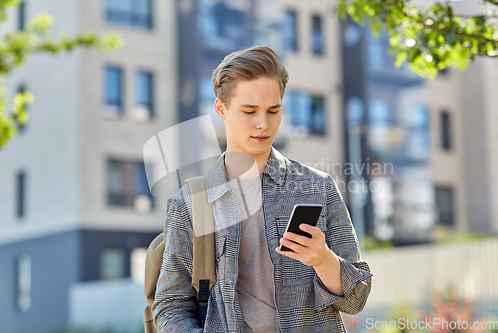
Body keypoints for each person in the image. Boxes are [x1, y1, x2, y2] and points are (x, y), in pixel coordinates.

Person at [151, 45, 373, 333]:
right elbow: (170, 306)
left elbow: (357, 299)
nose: (263, 123)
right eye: (249, 111)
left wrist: (323, 259)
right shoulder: (191, 204)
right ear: (221, 108)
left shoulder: (318, 188)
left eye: (273, 110)